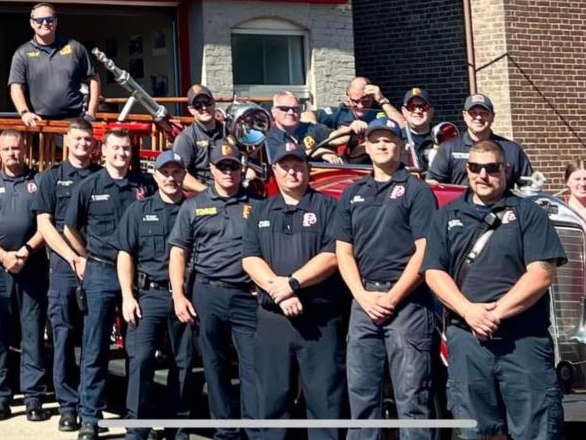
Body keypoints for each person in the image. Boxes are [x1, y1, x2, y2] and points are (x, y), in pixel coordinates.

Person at [423, 139, 567, 440]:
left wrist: (494, 314)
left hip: (523, 341)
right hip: (468, 341)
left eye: (491, 168)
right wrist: (468, 311)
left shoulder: (530, 213)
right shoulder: (446, 216)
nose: (482, 175)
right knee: (476, 432)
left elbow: (541, 274)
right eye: (475, 167)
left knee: (537, 431)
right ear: (467, 169)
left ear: (506, 170)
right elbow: (434, 273)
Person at [334, 117, 438, 439]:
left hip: (408, 305)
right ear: (366, 147)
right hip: (364, 303)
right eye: (376, 140)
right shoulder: (352, 193)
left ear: (402, 147)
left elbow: (424, 251)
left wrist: (392, 298)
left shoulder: (417, 191)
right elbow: (343, 252)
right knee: (362, 397)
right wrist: (362, 297)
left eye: (389, 140)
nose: (382, 145)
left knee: (412, 397)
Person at [242, 141, 348, 440]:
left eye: (298, 166)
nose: (291, 172)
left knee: (325, 403)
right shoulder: (261, 210)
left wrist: (292, 283)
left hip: (320, 321)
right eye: (285, 166)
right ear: (274, 170)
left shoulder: (329, 208)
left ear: (308, 169)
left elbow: (333, 255)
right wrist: (280, 291)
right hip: (273, 321)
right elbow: (250, 258)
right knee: (272, 401)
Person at [66, 128, 155, 440]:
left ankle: (137, 419)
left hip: (137, 274)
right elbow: (70, 228)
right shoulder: (89, 186)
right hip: (101, 271)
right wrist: (85, 256)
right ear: (103, 152)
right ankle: (90, 416)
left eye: (126, 149)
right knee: (95, 347)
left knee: (138, 351)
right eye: (115, 148)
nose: (121, 154)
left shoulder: (144, 185)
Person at [168, 140, 258, 440]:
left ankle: (253, 430)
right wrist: (179, 295)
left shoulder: (257, 205)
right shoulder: (193, 205)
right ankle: (226, 431)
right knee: (214, 366)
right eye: (222, 167)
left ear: (241, 169)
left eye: (233, 166)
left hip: (247, 296)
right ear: (212, 169)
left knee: (253, 367)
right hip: (207, 294)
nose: (228, 172)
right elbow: (178, 253)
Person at [117, 150, 194, 440]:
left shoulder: (195, 210)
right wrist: (127, 296)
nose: (171, 178)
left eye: (176, 172)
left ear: (183, 175)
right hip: (149, 295)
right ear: (155, 175)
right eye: (165, 172)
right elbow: (125, 254)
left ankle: (178, 428)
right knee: (140, 360)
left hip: (186, 297)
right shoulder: (139, 210)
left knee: (183, 362)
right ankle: (137, 428)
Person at [0, 130, 49, 423]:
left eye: (16, 148)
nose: (12, 153)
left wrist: (25, 252)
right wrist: (2, 255)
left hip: (32, 266)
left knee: (33, 333)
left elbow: (46, 225)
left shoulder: (40, 182)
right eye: (6, 149)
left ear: (25, 149)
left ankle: (34, 399)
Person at [34, 119, 101, 433]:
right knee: (62, 336)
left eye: (88, 139)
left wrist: (89, 259)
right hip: (63, 267)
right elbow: (45, 225)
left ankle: (90, 407)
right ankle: (68, 407)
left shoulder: (101, 176)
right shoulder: (52, 177)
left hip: (98, 266)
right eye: (78, 139)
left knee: (93, 340)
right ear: (67, 141)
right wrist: (73, 257)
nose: (83, 144)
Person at [8, 2, 101, 127]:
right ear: (32, 23)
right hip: (39, 123)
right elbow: (16, 87)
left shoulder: (75, 47)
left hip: (75, 121)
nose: (45, 23)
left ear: (56, 21)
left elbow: (94, 79)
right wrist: (24, 112)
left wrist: (91, 113)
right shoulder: (22, 53)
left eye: (49, 19)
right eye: (39, 20)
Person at [426, 93, 532, 188]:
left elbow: (530, 185)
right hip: (461, 203)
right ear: (464, 116)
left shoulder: (511, 150)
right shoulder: (449, 148)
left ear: (492, 116)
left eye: (484, 113)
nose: (478, 117)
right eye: (473, 113)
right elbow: (433, 182)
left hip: (501, 203)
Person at [263, 91, 343, 164]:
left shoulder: (310, 128)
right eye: (285, 109)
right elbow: (288, 156)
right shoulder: (266, 137)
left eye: (295, 109)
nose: (291, 112)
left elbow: (336, 137)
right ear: (273, 111)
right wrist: (319, 151)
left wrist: (348, 129)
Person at [171, 84, 224, 192]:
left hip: (233, 187)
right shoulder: (185, 138)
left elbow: (246, 158)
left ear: (214, 103)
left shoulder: (229, 131)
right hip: (203, 193)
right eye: (198, 105)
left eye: (207, 102)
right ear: (191, 110)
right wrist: (208, 192)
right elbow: (180, 175)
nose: (204, 108)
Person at [307, 76, 404, 130]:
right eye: (355, 101)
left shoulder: (379, 115)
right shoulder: (339, 113)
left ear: (372, 98)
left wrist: (382, 100)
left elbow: (404, 127)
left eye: (365, 101)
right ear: (348, 97)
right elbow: (306, 116)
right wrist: (326, 133)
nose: (360, 106)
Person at [399, 88, 435, 169]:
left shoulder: (443, 139)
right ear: (403, 111)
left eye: (423, 107)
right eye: (411, 107)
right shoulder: (396, 139)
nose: (418, 111)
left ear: (432, 111)